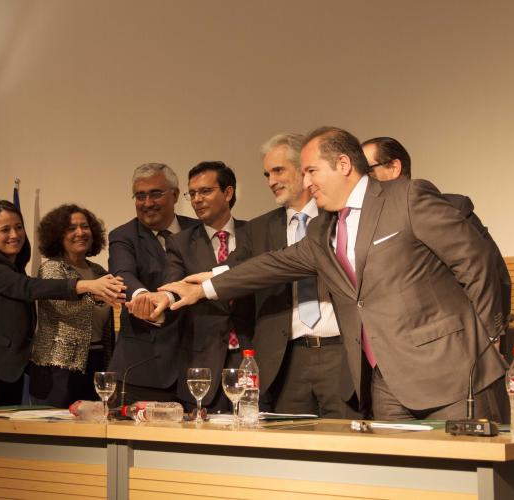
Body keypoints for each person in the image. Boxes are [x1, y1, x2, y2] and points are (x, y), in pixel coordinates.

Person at [161, 127, 509, 422]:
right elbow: (273, 264)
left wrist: (484, 342)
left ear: (343, 164)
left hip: (452, 373)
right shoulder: (323, 229)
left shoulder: (406, 197)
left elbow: (477, 263)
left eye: (312, 171)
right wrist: (207, 287)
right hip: (383, 382)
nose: (306, 181)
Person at [0, 200, 125, 406]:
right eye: (5, 229)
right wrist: (86, 287)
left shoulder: (13, 266)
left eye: (18, 227)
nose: (14, 235)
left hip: (8, 370)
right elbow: (29, 288)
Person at [231, 133, 357, 417]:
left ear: (304, 169)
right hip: (286, 361)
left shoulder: (338, 217)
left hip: (341, 355)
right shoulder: (258, 229)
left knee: (347, 447)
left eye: (278, 170)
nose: (271, 181)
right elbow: (233, 272)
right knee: (289, 449)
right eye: (266, 174)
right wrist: (190, 286)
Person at [129, 161, 253, 411]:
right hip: (203, 359)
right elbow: (174, 285)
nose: (197, 199)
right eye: (192, 193)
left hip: (251, 356)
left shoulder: (255, 234)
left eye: (205, 191)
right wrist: (163, 299)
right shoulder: (181, 242)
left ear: (228, 193)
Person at [361, 136, 512, 323]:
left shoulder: (455, 208)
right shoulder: (362, 227)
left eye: (368, 171)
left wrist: (490, 335)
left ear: (393, 167)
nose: (362, 182)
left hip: (458, 337)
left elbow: (493, 273)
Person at [107, 163, 200, 404]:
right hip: (143, 370)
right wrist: (141, 297)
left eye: (155, 193)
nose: (147, 202)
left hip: (199, 368)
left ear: (176, 195)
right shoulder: (123, 236)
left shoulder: (198, 230)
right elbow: (123, 273)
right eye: (140, 195)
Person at [27, 204, 116, 408]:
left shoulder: (99, 271)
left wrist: (110, 370)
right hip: (58, 368)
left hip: (96, 361)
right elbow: (63, 307)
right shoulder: (51, 268)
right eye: (71, 228)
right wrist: (96, 294)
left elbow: (107, 329)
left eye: (85, 226)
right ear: (57, 235)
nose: (80, 233)